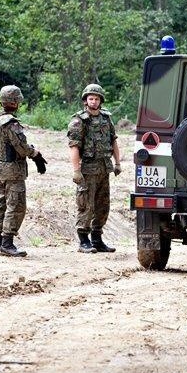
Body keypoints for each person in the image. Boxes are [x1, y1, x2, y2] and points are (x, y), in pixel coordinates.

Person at [0, 85, 46, 257]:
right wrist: (35, 154)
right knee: (16, 205)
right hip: (13, 170)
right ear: (15, 103)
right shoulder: (11, 123)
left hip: (1, 167)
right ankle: (7, 244)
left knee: (2, 204)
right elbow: (21, 147)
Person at [68, 84, 122, 253]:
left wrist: (118, 162)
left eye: (97, 98)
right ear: (85, 100)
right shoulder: (79, 120)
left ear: (101, 100)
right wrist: (76, 170)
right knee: (86, 205)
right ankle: (84, 241)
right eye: (91, 98)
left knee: (102, 205)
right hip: (88, 169)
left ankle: (97, 239)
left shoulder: (106, 118)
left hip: (104, 168)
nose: (94, 101)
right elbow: (74, 147)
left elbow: (113, 140)